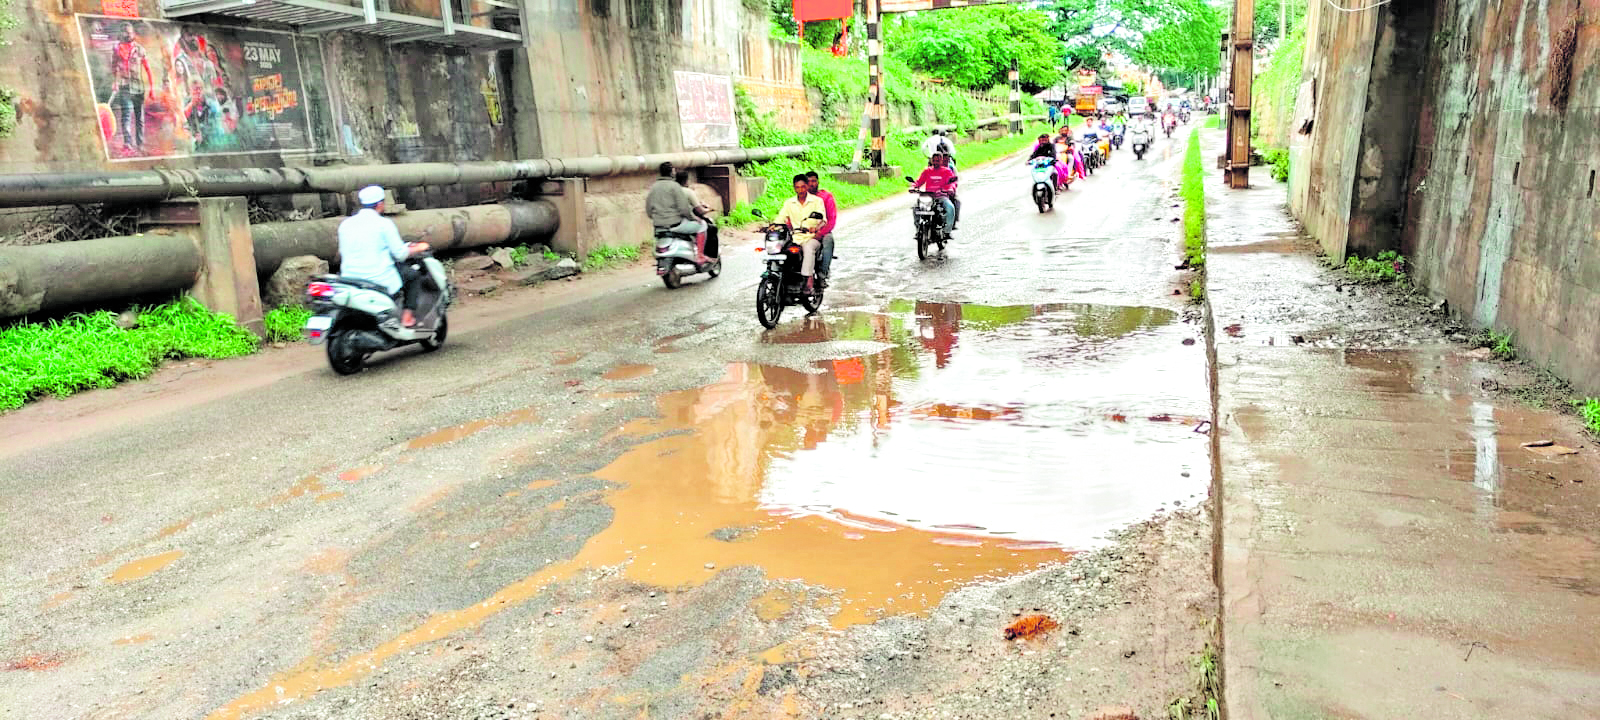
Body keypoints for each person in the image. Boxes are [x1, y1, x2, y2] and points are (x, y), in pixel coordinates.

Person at [338, 186, 431, 328]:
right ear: (380, 204)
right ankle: (407, 318)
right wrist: (419, 247)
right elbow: (400, 254)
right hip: (377, 278)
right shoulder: (384, 224)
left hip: (350, 277)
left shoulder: (345, 224)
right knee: (412, 276)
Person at [773, 174, 828, 291]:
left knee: (808, 248)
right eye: (798, 187)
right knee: (780, 248)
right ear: (794, 188)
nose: (801, 190)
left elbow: (823, 220)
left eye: (803, 187)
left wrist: (816, 228)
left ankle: (808, 280)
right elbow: (781, 216)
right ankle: (781, 280)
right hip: (795, 237)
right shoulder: (789, 203)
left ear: (807, 187)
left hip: (811, 237)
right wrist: (773, 225)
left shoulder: (817, 201)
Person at [108, 22, 153, 155]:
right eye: (125, 32)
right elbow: (114, 67)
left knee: (140, 117)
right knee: (126, 115)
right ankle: (128, 143)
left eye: (130, 32)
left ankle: (140, 144)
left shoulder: (139, 49)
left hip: (138, 87)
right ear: (121, 33)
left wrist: (151, 88)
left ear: (133, 33)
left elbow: (148, 68)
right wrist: (115, 82)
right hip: (124, 86)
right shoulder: (116, 49)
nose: (128, 34)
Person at [647, 162, 705, 238]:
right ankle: (699, 250)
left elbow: (649, 210)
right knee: (703, 226)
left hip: (658, 226)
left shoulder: (654, 187)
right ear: (672, 173)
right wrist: (694, 218)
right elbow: (684, 209)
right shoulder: (675, 187)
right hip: (675, 225)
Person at [909, 153, 958, 239]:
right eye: (934, 160)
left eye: (938, 160)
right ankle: (918, 229)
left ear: (941, 161)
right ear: (932, 160)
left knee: (950, 208)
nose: (936, 162)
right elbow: (919, 181)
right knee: (916, 208)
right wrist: (913, 187)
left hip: (941, 196)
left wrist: (950, 189)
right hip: (928, 197)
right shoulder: (927, 171)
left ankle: (947, 231)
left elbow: (952, 183)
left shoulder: (947, 171)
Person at [673, 170, 719, 260]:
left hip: (668, 221)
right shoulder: (688, 192)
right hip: (684, 221)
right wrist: (708, 209)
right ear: (686, 181)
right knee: (709, 227)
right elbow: (699, 210)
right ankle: (704, 255)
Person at [804, 171, 837, 282]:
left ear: (818, 182)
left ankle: (822, 273)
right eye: (808, 182)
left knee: (828, 240)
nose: (811, 184)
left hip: (821, 230)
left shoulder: (826, 197)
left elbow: (831, 219)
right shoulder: (799, 198)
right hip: (802, 231)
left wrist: (820, 233)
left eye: (814, 181)